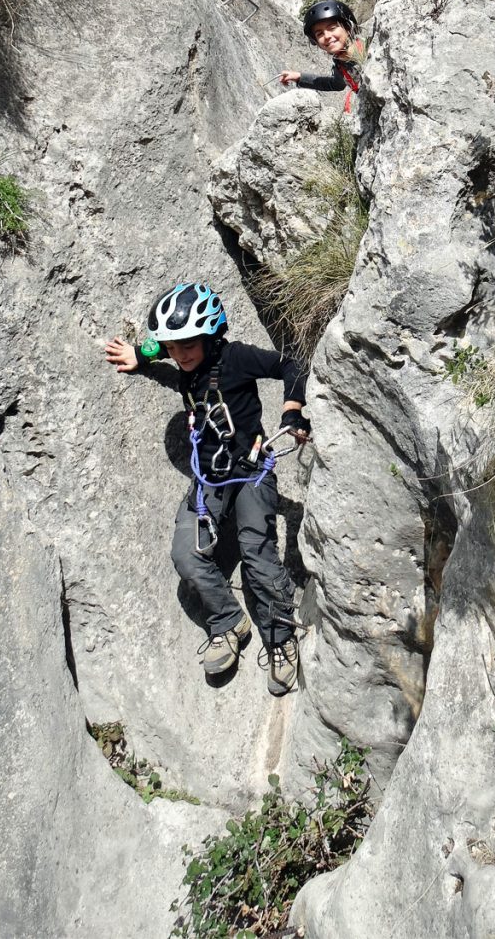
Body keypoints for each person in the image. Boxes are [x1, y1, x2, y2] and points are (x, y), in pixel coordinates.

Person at [104, 281, 310, 695]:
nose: (180, 355)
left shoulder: (234, 358)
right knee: (186, 554)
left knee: (258, 556)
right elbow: (158, 348)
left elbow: (292, 365)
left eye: (188, 346)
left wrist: (292, 409)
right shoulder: (180, 352)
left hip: (251, 472)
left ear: (212, 336)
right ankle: (228, 621)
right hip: (210, 476)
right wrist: (139, 355)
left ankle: (280, 636)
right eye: (173, 347)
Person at [279, 0, 363, 108]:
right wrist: (299, 77)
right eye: (319, 34)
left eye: (332, 28)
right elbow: (336, 84)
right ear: (316, 42)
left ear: (348, 28)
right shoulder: (341, 64)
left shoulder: (371, 49)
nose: (327, 36)